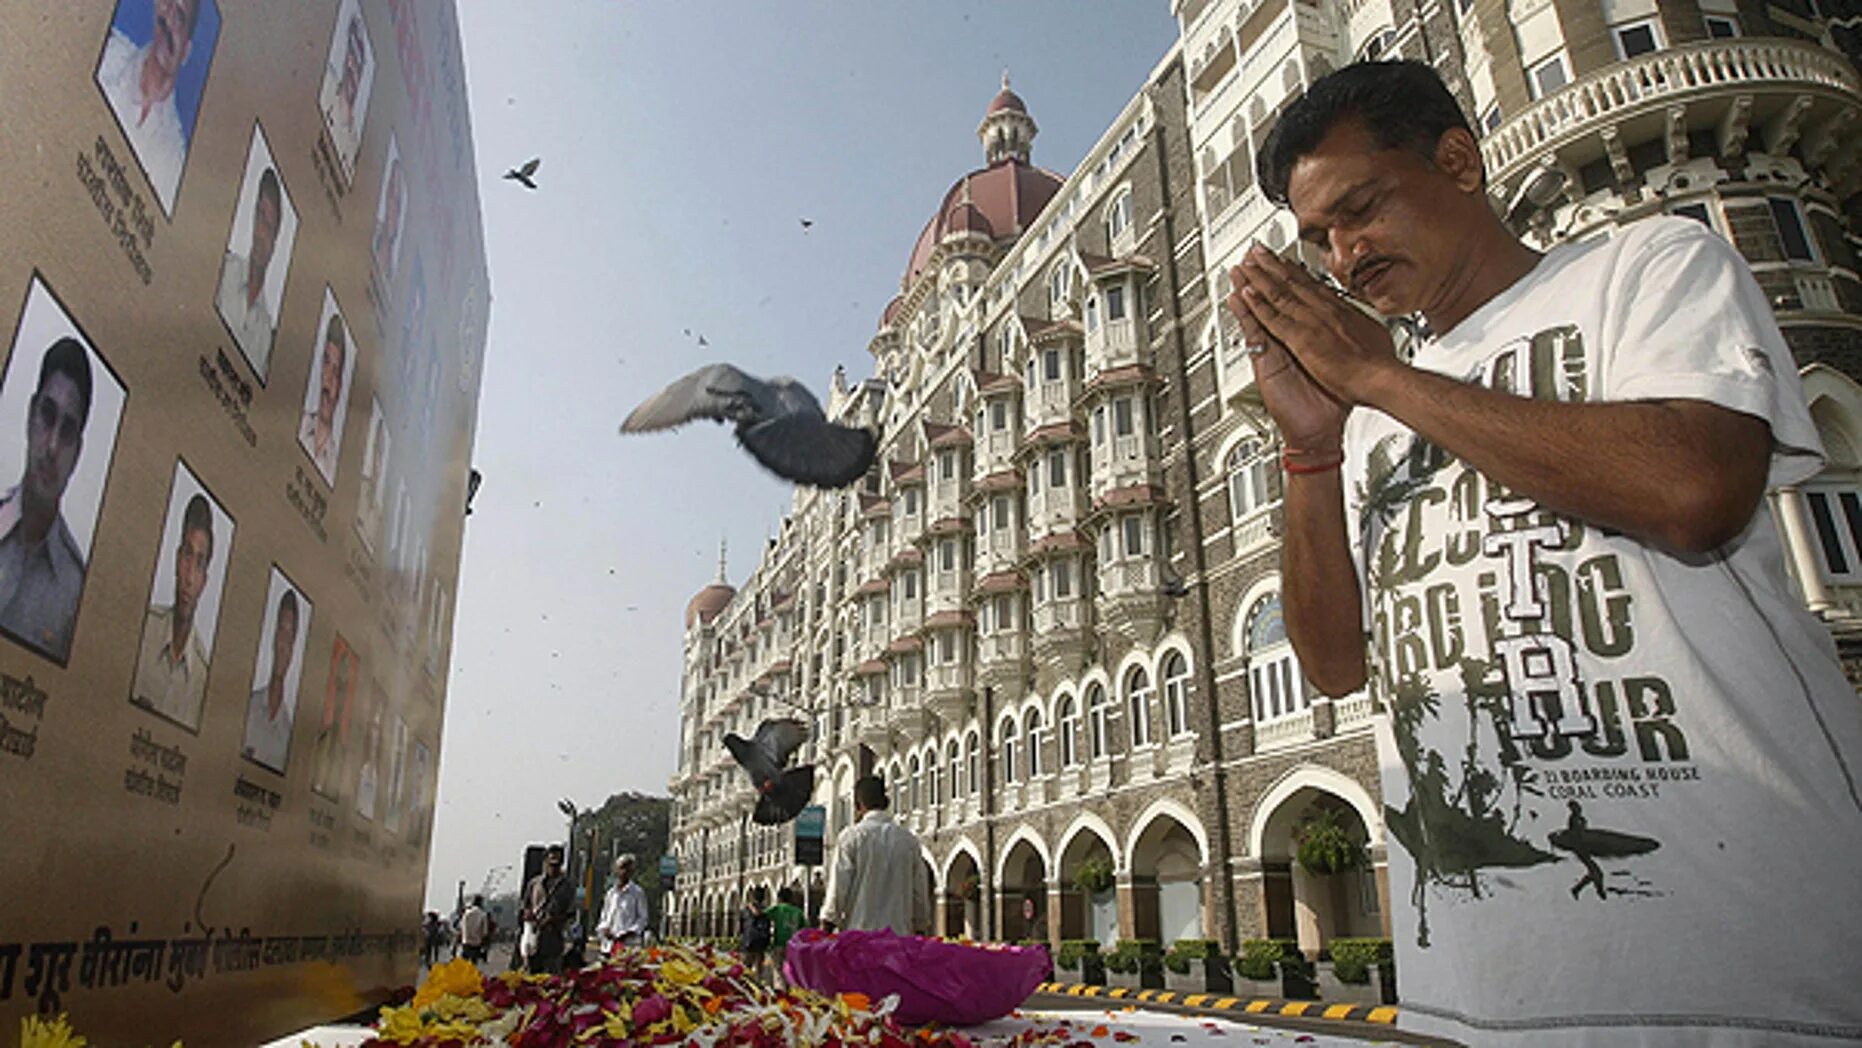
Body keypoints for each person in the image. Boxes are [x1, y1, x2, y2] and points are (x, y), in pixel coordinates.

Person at [1225, 59, 1862, 1046]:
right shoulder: (1377, 404)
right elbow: (1333, 664)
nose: (1342, 254)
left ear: (1457, 162)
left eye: (1360, 208)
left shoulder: (1644, 266)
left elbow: (1693, 488)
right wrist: (1309, 449)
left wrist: (1377, 380)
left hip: (1746, 974)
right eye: (1316, 239)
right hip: (1489, 993)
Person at [0, 338, 94, 662]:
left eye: (67, 430)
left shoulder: (76, 589)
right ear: (30, 418)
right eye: (47, 415)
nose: (52, 446)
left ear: (77, 453)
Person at [96, 0, 199, 212]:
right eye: (167, 5)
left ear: (186, 52)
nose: (169, 21)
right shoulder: (106, 53)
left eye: (180, 17)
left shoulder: (173, 160)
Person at [131, 493, 213, 727]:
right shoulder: (143, 629)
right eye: (187, 555)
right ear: (178, 560)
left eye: (199, 563)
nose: (189, 576)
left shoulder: (203, 676)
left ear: (204, 581)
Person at [819, 776, 930, 936]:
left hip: (859, 938)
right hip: (898, 939)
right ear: (886, 802)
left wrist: (826, 928)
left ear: (857, 805)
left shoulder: (851, 837)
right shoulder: (908, 841)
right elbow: (919, 892)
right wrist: (920, 927)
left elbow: (838, 889)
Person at [216, 166, 286, 375]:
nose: (260, 231)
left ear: (275, 242)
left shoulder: (265, 332)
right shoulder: (223, 271)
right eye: (259, 215)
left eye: (269, 225)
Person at [242, 588, 299, 770]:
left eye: (290, 635)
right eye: (281, 631)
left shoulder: (289, 736)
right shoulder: (246, 709)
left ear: (294, 648)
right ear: (274, 638)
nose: (284, 643)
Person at [298, 313, 348, 482]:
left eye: (336, 371)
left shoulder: (336, 469)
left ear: (341, 385)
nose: (328, 379)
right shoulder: (299, 425)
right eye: (326, 363)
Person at [521, 844, 574, 973]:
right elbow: (525, 906)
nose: (553, 867)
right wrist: (528, 915)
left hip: (554, 939)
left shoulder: (567, 886)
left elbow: (571, 912)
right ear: (545, 862)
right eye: (551, 863)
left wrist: (554, 919)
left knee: (552, 979)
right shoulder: (534, 884)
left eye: (557, 864)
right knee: (529, 977)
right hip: (534, 937)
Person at [595, 854, 649, 955]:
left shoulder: (637, 893)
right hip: (608, 946)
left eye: (627, 868)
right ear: (616, 870)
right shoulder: (611, 893)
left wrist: (629, 932)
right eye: (621, 868)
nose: (624, 872)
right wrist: (605, 930)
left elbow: (642, 919)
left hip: (628, 947)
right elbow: (604, 917)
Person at [766, 887, 804, 987]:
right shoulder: (798, 912)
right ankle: (792, 989)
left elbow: (762, 916)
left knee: (778, 971)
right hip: (793, 945)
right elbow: (804, 929)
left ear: (779, 898)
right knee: (791, 969)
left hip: (778, 943)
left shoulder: (777, 909)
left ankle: (781, 992)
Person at [738, 886, 771, 977]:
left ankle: (745, 986)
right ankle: (758, 985)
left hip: (749, 941)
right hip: (761, 942)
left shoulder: (747, 909)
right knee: (759, 969)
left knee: (745, 968)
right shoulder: (766, 911)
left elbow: (741, 926)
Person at [459, 894, 491, 963]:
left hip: (466, 941)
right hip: (476, 942)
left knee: (464, 961)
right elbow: (485, 931)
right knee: (474, 961)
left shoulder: (466, 913)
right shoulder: (483, 914)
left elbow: (461, 927)